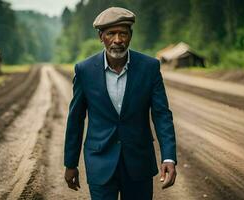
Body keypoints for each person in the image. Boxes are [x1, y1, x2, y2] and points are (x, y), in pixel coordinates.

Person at [64, 7, 177, 200]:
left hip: (139, 163)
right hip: (99, 162)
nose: (117, 40)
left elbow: (161, 115)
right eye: (111, 34)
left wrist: (168, 157)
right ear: (101, 37)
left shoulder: (149, 67)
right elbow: (76, 119)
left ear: (130, 36)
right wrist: (70, 164)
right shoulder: (84, 70)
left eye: (123, 33)